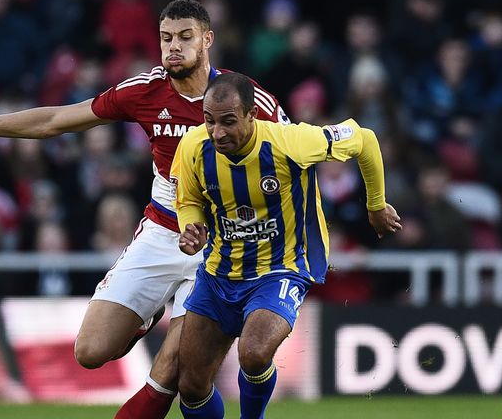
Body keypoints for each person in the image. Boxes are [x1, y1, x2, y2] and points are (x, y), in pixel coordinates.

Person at [0, 0, 286, 419]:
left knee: (178, 373)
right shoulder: (143, 91)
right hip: (162, 233)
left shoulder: (248, 100)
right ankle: (147, 313)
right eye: (165, 38)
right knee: (90, 351)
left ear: (207, 40)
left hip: (219, 247)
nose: (172, 47)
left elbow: (297, 160)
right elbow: (55, 121)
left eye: (184, 37)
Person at [170, 72, 401, 418]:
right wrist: (192, 226)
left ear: (252, 114)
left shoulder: (290, 142)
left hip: (282, 267)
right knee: (190, 385)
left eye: (228, 122)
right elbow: (188, 199)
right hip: (219, 273)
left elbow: (364, 139)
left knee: (253, 353)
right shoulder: (193, 146)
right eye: (209, 121)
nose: (217, 132)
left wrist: (376, 204)